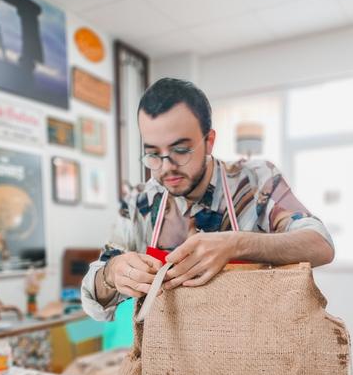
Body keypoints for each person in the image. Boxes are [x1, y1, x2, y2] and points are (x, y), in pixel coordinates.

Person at [81, 78, 334, 321]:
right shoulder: (139, 202)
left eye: (180, 150)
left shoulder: (257, 181)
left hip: (249, 355)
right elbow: (96, 303)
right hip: (168, 358)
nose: (166, 168)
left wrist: (236, 244)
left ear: (209, 141)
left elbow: (320, 245)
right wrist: (111, 273)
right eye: (153, 155)